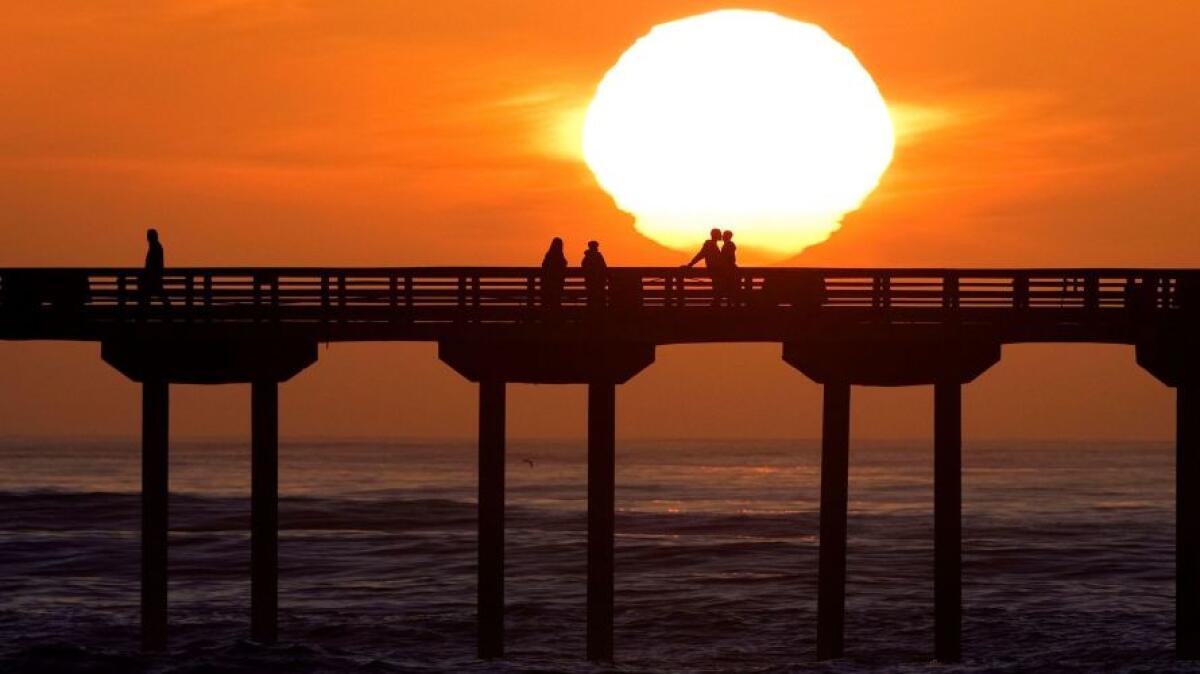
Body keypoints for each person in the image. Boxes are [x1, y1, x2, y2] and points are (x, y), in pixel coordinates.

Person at [684, 228, 724, 305]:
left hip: (715, 269)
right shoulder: (709, 244)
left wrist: (690, 264)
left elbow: (700, 255)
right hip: (714, 269)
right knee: (718, 287)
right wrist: (691, 264)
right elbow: (701, 255)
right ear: (715, 235)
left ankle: (716, 303)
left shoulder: (712, 244)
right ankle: (716, 304)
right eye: (719, 233)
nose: (721, 235)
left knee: (718, 287)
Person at [142, 228, 169, 307]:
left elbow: (151, 263)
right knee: (157, 294)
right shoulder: (157, 246)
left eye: (149, 236)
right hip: (155, 278)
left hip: (153, 278)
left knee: (149, 295)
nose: (147, 238)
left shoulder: (155, 247)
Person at [540, 237, 567, 312]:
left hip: (547, 285)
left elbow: (544, 267)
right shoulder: (560, 256)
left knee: (548, 302)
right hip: (557, 285)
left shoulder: (548, 255)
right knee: (556, 301)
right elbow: (563, 265)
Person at [581, 240, 608, 309]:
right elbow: (604, 267)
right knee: (599, 298)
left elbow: (583, 266)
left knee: (591, 298)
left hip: (590, 282)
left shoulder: (587, 257)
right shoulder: (598, 256)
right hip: (598, 282)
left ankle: (591, 311)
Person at [719, 230, 738, 306]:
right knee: (730, 287)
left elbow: (728, 258)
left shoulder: (728, 245)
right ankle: (730, 303)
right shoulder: (729, 244)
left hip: (729, 269)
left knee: (729, 286)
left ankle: (730, 304)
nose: (722, 236)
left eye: (723, 235)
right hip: (730, 268)